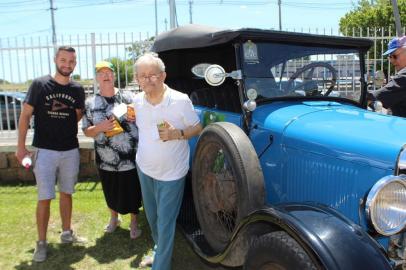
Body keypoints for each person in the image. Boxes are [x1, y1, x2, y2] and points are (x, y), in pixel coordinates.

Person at [15, 46, 86, 263]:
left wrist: (60, 127)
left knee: (67, 193)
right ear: (56, 59)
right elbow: (25, 116)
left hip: (70, 151)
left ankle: (66, 233)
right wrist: (20, 147)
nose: (67, 64)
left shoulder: (77, 89)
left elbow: (76, 115)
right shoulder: (39, 85)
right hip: (44, 151)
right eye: (63, 60)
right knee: (44, 197)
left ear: (75, 63)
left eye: (71, 61)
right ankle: (42, 242)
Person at [133, 53, 202, 270]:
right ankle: (159, 249)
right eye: (142, 76)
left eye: (152, 75)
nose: (147, 80)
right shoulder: (136, 101)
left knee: (165, 223)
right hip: (144, 168)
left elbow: (197, 128)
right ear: (137, 79)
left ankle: (161, 265)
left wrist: (178, 134)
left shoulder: (180, 100)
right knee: (153, 219)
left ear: (163, 75)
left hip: (172, 173)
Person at [82, 61, 142, 239]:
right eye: (102, 73)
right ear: (97, 78)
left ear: (114, 75)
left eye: (109, 72)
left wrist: (135, 117)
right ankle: (114, 219)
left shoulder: (129, 97)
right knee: (110, 189)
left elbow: (143, 119)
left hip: (130, 155)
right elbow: (86, 130)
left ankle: (134, 222)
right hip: (105, 157)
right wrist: (100, 127)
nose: (106, 75)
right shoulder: (90, 103)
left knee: (132, 189)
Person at [370, 36, 406, 117]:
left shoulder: (404, 76)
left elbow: (377, 96)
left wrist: (359, 97)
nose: (392, 61)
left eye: (395, 56)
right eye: (390, 57)